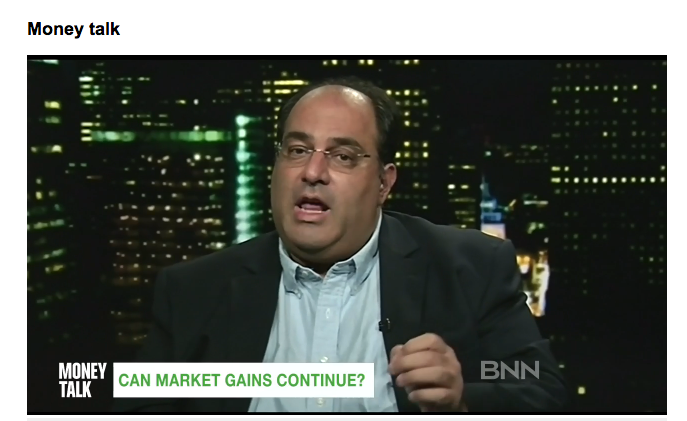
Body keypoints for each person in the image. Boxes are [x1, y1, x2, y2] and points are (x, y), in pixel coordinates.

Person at [113, 76, 568, 413]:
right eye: (297, 150)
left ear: (384, 183)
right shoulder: (195, 290)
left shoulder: (470, 268)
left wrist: (464, 391)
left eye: (343, 156)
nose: (312, 172)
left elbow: (535, 379)